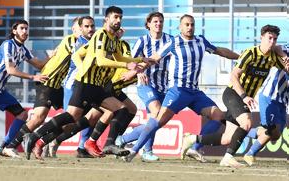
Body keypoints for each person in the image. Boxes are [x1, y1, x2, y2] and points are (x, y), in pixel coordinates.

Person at [23, 6, 153, 159]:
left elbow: (119, 58)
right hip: (85, 84)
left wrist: (140, 59)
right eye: (115, 17)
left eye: (120, 18)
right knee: (71, 117)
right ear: (106, 19)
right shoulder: (101, 36)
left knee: (122, 109)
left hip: (97, 86)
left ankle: (108, 144)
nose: (118, 20)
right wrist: (126, 66)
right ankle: (34, 137)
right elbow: (101, 60)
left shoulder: (113, 40)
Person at [123, 14, 239, 162]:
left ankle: (193, 147)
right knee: (158, 121)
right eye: (186, 25)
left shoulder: (201, 41)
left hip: (195, 92)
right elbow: (154, 59)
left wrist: (239, 57)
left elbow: (219, 51)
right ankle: (133, 150)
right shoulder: (173, 42)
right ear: (180, 27)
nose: (190, 27)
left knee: (219, 116)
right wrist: (135, 71)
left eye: (192, 24)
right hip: (178, 91)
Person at [181, 25, 286, 168]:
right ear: (261, 38)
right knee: (247, 123)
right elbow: (234, 76)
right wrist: (244, 96)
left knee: (227, 138)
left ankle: (192, 139)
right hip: (233, 94)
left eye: (274, 39)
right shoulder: (250, 53)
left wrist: (283, 55)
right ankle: (228, 157)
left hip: (242, 98)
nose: (272, 42)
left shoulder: (273, 57)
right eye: (269, 38)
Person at [2, 17, 81, 158]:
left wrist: (49, 57)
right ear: (73, 29)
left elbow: (39, 65)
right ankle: (10, 146)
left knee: (72, 119)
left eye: (88, 27)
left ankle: (44, 142)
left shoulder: (81, 42)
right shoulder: (71, 40)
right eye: (80, 27)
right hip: (46, 82)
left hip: (57, 86)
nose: (85, 30)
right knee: (38, 118)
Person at [115, 11, 173, 162]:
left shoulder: (170, 40)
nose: (158, 24)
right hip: (145, 84)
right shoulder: (142, 41)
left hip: (163, 86)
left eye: (160, 21)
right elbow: (131, 61)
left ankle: (124, 139)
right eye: (155, 21)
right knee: (156, 112)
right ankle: (146, 151)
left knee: (155, 120)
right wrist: (137, 71)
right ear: (148, 24)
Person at [0, 20, 49, 157]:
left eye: (26, 29)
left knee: (22, 115)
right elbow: (10, 70)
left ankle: (4, 146)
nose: (25, 31)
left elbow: (39, 65)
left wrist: (52, 56)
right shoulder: (8, 45)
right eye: (22, 28)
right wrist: (32, 77)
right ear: (14, 31)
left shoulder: (23, 49)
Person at [243, 44, 289, 166]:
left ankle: (241, 131)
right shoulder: (287, 49)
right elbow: (276, 48)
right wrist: (284, 56)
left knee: (275, 135)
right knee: (271, 129)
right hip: (270, 96)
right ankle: (250, 154)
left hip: (283, 101)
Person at [62, 16, 96, 158]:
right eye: (87, 27)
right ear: (80, 29)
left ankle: (82, 147)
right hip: (73, 85)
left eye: (92, 26)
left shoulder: (95, 42)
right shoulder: (80, 43)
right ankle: (47, 140)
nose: (90, 29)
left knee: (93, 115)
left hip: (89, 85)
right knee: (69, 121)